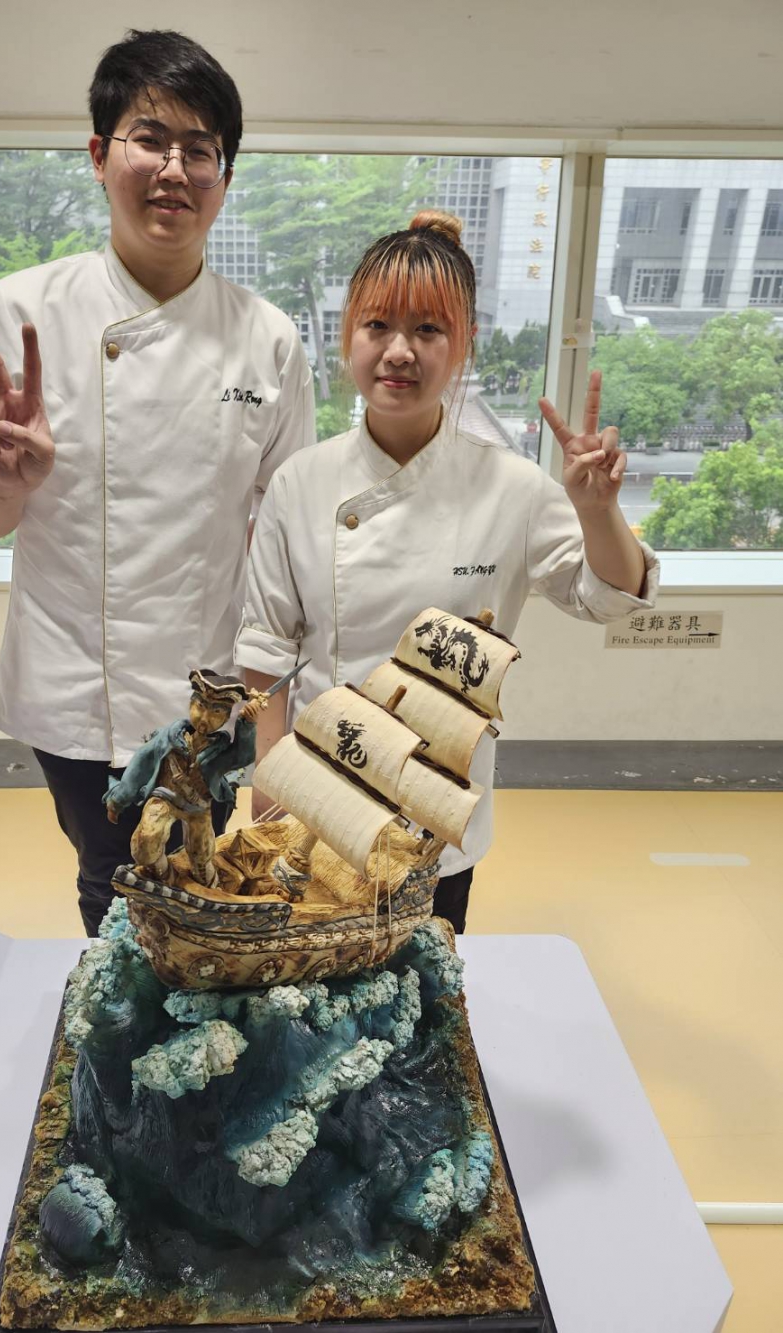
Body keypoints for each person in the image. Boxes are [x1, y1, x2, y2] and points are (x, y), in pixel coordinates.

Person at [0, 30, 315, 936]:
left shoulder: (268, 339)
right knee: (112, 883)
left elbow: (283, 542)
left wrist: (277, 716)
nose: (174, 169)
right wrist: (8, 484)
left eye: (199, 150)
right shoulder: (19, 313)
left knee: (199, 883)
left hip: (211, 690)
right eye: (150, 140)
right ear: (100, 155)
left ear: (224, 177)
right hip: (74, 682)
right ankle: (118, 1018)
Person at [236, 210, 659, 934]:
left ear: (463, 343)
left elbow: (609, 598)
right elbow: (267, 650)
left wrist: (597, 512)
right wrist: (268, 788)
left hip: (435, 805)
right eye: (377, 326)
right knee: (310, 985)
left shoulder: (511, 487)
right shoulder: (300, 481)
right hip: (318, 789)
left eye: (428, 330)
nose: (399, 351)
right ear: (347, 336)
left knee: (422, 981)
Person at [103, 669, 260, 888]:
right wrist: (119, 799)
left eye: (216, 711)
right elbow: (140, 763)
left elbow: (243, 756)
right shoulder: (168, 739)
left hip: (198, 807)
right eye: (200, 706)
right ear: (191, 703)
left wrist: (247, 725)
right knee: (145, 842)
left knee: (202, 855)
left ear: (226, 717)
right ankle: (164, 877)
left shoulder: (220, 751)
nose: (205, 718)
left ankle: (208, 887)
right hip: (164, 798)